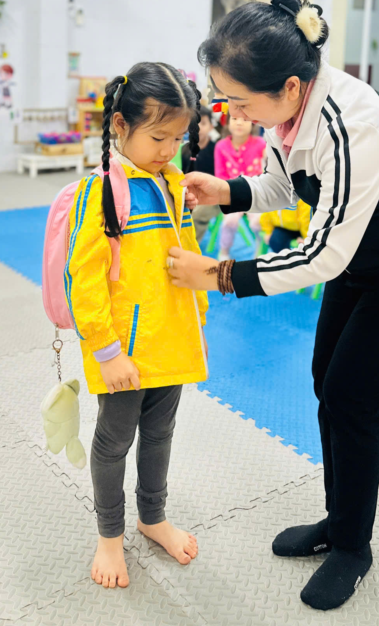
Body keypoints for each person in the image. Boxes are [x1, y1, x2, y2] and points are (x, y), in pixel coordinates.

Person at [166, 0, 379, 611]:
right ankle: (339, 517)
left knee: (354, 397)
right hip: (360, 254)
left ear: (292, 86)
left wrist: (219, 274)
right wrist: (225, 190)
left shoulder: (352, 126)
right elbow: (286, 185)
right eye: (227, 101)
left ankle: (353, 547)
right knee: (328, 377)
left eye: (240, 101)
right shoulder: (288, 113)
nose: (235, 114)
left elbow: (322, 255)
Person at [65, 62, 209, 590]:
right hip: (123, 353)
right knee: (114, 441)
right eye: (158, 137)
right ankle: (110, 535)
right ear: (121, 126)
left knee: (160, 434)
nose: (169, 149)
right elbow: (83, 280)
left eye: (178, 138)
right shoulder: (102, 190)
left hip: (172, 341)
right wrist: (107, 351)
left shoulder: (172, 183)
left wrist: (198, 318)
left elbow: (187, 255)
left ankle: (153, 517)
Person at [214, 116, 266, 257]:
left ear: (253, 123)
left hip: (255, 193)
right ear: (227, 122)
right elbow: (220, 176)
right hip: (231, 194)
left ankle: (259, 251)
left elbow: (268, 169)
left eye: (244, 119)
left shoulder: (261, 144)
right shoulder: (221, 146)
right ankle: (224, 252)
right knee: (229, 222)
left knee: (258, 222)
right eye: (235, 118)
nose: (239, 123)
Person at [181, 104, 220, 240]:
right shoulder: (185, 150)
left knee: (196, 214)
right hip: (191, 195)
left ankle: (191, 246)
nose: (198, 128)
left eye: (203, 123)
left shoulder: (217, 149)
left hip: (213, 198)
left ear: (211, 126)